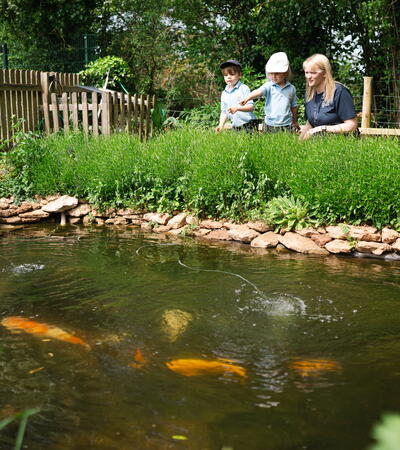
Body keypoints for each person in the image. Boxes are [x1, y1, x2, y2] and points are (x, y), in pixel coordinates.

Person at [299, 54, 358, 140]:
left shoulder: (339, 91)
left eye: (313, 73)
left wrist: (323, 129)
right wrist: (299, 144)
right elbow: (311, 123)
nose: (308, 77)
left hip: (342, 143)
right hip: (319, 145)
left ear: (324, 73)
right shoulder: (309, 94)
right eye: (306, 72)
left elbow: (351, 125)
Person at [240, 52, 299, 132]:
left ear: (285, 73)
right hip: (270, 124)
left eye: (277, 73)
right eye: (271, 73)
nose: (273, 76)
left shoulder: (291, 89)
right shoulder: (268, 86)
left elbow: (294, 107)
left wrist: (295, 121)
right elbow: (258, 92)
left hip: (286, 125)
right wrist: (247, 98)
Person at [216, 60, 258, 133]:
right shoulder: (224, 93)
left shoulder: (244, 88)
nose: (228, 77)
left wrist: (238, 108)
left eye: (232, 74)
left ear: (239, 75)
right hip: (236, 126)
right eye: (226, 75)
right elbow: (224, 112)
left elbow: (251, 107)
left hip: (249, 124)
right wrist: (221, 125)